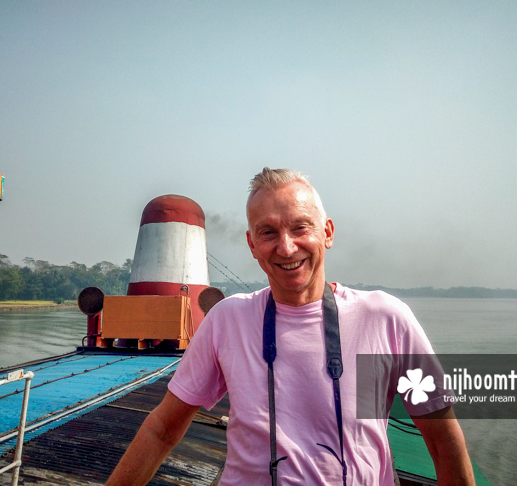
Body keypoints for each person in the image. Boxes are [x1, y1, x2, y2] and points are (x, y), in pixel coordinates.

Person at [106, 168, 475, 486]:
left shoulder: (386, 319)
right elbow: (162, 429)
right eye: (268, 233)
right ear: (252, 244)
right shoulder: (227, 320)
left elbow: (443, 441)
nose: (286, 247)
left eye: (301, 227)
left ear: (327, 233)